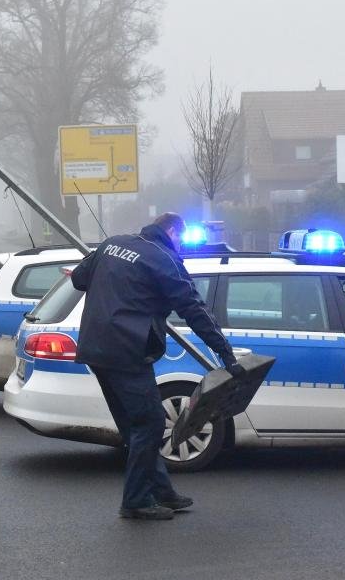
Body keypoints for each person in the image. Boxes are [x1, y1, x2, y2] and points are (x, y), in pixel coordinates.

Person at [71, 213, 241, 521]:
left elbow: (78, 279)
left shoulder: (112, 243)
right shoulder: (164, 260)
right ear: (173, 232)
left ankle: (161, 491)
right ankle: (136, 501)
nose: (182, 249)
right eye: (182, 241)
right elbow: (194, 310)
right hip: (127, 351)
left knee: (134, 426)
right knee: (149, 424)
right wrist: (225, 354)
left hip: (95, 349)